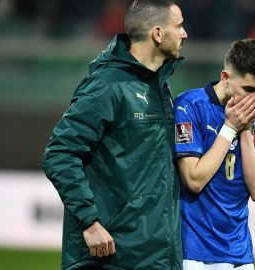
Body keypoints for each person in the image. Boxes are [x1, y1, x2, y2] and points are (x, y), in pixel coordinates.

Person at [42, 1, 187, 269]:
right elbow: (60, 154)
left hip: (155, 255)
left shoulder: (160, 87)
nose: (184, 33)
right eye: (178, 26)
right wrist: (89, 222)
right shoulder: (107, 85)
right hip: (115, 255)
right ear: (157, 33)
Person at [174, 39, 255, 270]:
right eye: (249, 89)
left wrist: (245, 131)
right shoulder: (189, 106)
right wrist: (230, 127)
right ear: (225, 78)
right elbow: (193, 180)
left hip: (239, 252)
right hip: (192, 250)